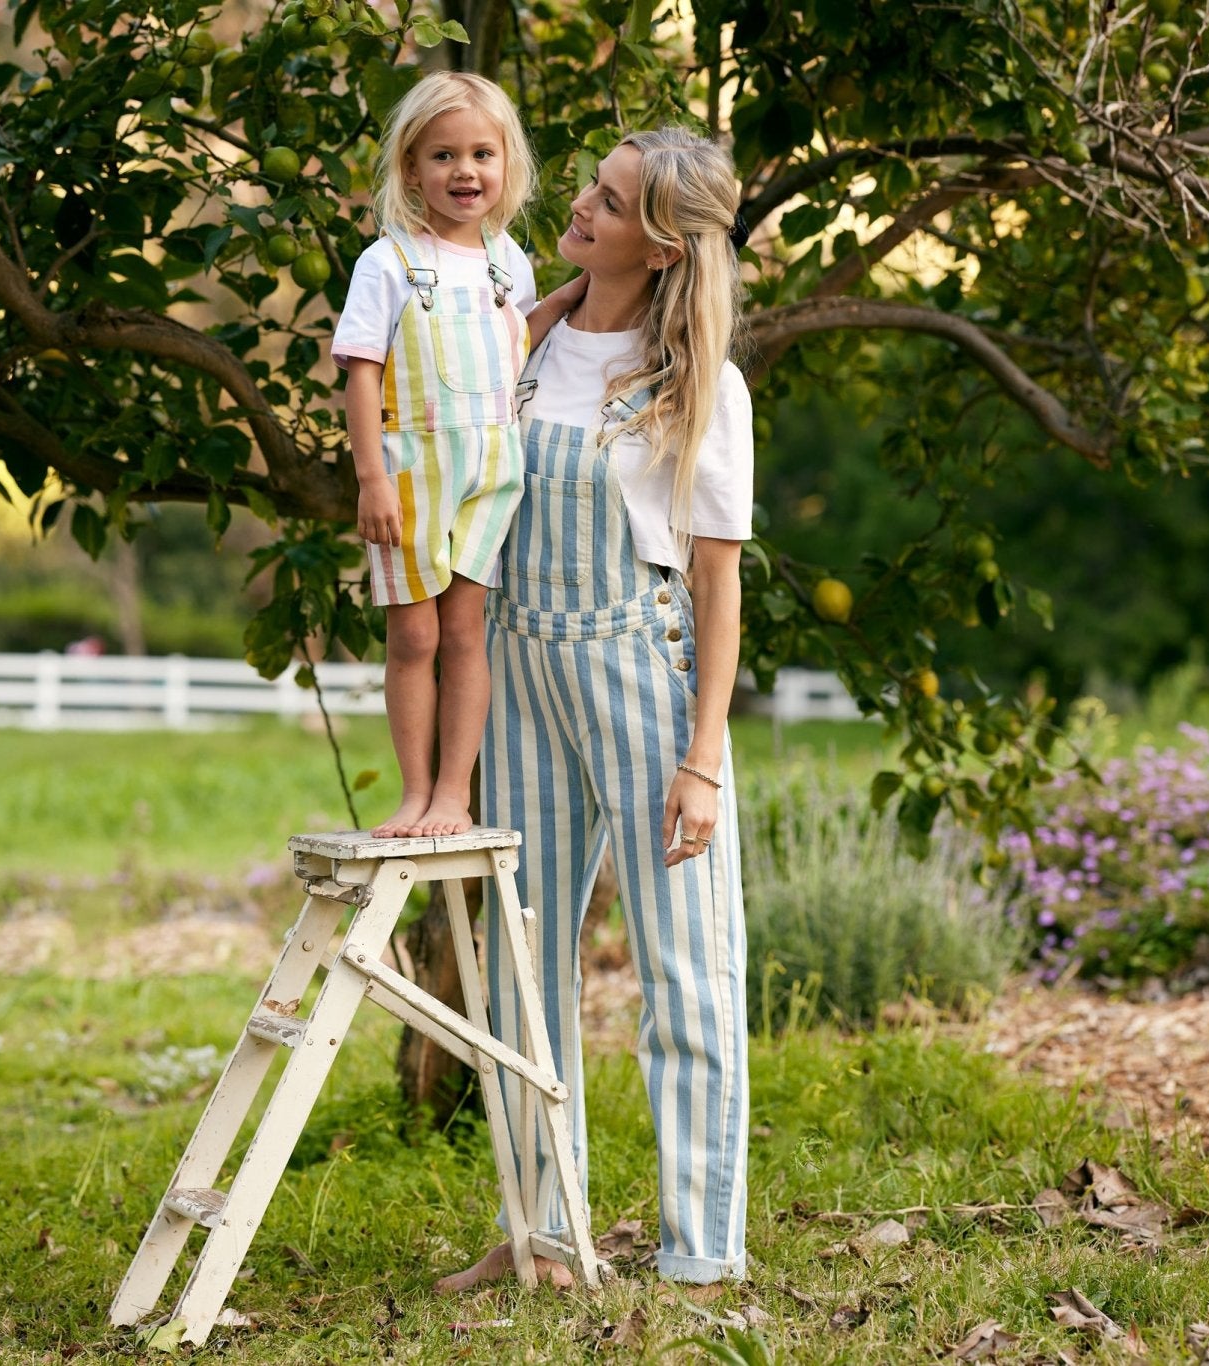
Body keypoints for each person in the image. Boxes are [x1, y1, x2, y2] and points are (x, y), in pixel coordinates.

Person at [438, 126, 755, 1293]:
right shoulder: (516, 336)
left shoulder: (699, 382)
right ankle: (546, 1237)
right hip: (517, 669)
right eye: (591, 185)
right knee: (526, 965)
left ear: (661, 244)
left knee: (688, 970)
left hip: (642, 673)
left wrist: (702, 758)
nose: (578, 205)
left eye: (610, 203)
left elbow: (715, 582)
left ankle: (700, 1254)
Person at [332, 71, 541, 839]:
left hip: (491, 473)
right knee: (413, 637)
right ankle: (415, 792)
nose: (465, 171)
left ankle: (455, 794)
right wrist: (371, 478)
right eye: (443, 155)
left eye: (482, 153)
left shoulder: (507, 264)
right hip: (412, 473)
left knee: (466, 634)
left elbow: (527, 349)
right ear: (410, 169)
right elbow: (361, 372)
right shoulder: (386, 264)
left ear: (506, 164)